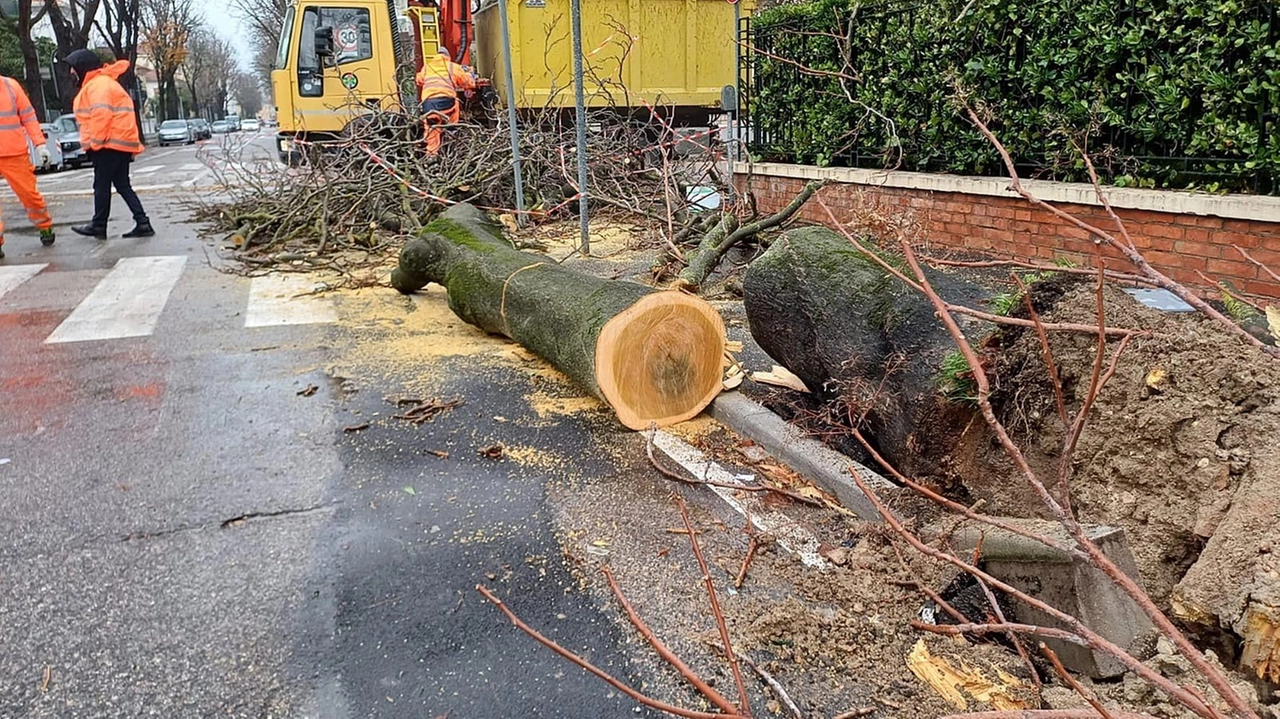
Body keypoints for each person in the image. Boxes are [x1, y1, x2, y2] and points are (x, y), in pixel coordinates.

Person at [65, 49, 153, 240]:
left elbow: (101, 116)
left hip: (108, 144)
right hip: (118, 143)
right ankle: (142, 222)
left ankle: (99, 226)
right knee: (122, 185)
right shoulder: (102, 83)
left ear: (82, 67)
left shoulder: (98, 85)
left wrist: (95, 144)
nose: (71, 73)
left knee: (101, 186)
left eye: (73, 68)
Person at [0, 74, 56, 260]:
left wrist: (40, 144)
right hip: (13, 150)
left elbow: (29, 116)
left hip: (13, 152)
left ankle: (44, 226)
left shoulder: (10, 86)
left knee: (29, 194)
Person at [414, 47, 477, 157]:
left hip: (428, 104)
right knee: (455, 103)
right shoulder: (453, 67)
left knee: (431, 129)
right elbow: (468, 83)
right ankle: (452, 130)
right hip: (446, 103)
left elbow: (419, 80)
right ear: (448, 57)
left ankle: (431, 156)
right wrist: (470, 76)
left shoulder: (427, 67)